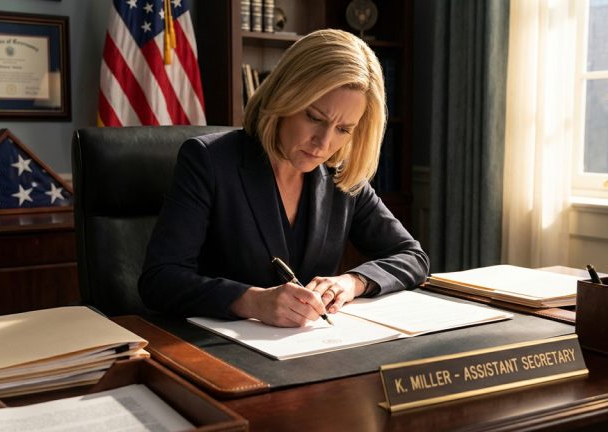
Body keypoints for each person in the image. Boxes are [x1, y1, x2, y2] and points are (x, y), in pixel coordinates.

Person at [139, 29, 429, 327]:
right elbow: (160, 280)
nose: (323, 143)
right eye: (315, 118)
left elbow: (411, 257)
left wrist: (353, 282)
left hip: (307, 348)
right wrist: (251, 300)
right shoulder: (209, 161)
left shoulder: (340, 175)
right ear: (284, 96)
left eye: (343, 129)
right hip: (215, 350)